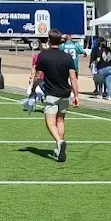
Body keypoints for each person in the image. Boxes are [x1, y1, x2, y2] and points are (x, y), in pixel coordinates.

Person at [32, 30, 79, 162]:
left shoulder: (44, 56)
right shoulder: (67, 57)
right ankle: (59, 147)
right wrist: (76, 95)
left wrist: (33, 88)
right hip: (65, 93)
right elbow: (73, 78)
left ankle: (59, 141)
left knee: (50, 122)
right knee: (60, 120)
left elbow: (39, 76)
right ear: (60, 41)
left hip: (51, 93)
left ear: (49, 40)